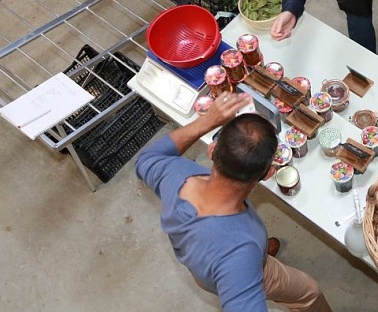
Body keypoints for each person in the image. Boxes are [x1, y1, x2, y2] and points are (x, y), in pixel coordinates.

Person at [136, 92, 332, 312]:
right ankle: (262, 263)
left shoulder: (175, 173)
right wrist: (248, 267)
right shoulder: (239, 253)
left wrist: (206, 121)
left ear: (212, 150)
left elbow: (146, 159)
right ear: (268, 173)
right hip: (234, 271)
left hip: (202, 261)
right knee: (309, 291)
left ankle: (263, 254)